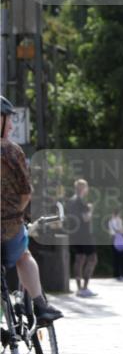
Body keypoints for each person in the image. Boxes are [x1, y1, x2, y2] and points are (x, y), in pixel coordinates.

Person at [0, 96, 63, 322]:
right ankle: (40, 305)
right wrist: (18, 212)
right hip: (8, 227)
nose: (11, 126)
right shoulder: (10, 151)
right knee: (24, 256)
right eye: (7, 121)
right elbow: (26, 192)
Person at [66, 179, 98, 297]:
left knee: (79, 259)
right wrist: (90, 209)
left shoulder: (71, 201)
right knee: (93, 259)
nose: (87, 189)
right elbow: (86, 218)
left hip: (75, 235)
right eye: (86, 187)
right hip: (84, 235)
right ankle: (84, 288)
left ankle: (79, 288)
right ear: (82, 189)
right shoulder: (80, 202)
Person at [108, 210, 123, 280]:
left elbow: (112, 231)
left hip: (113, 239)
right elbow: (120, 230)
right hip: (120, 239)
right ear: (117, 214)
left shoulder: (110, 221)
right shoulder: (118, 220)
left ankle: (117, 275)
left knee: (116, 258)